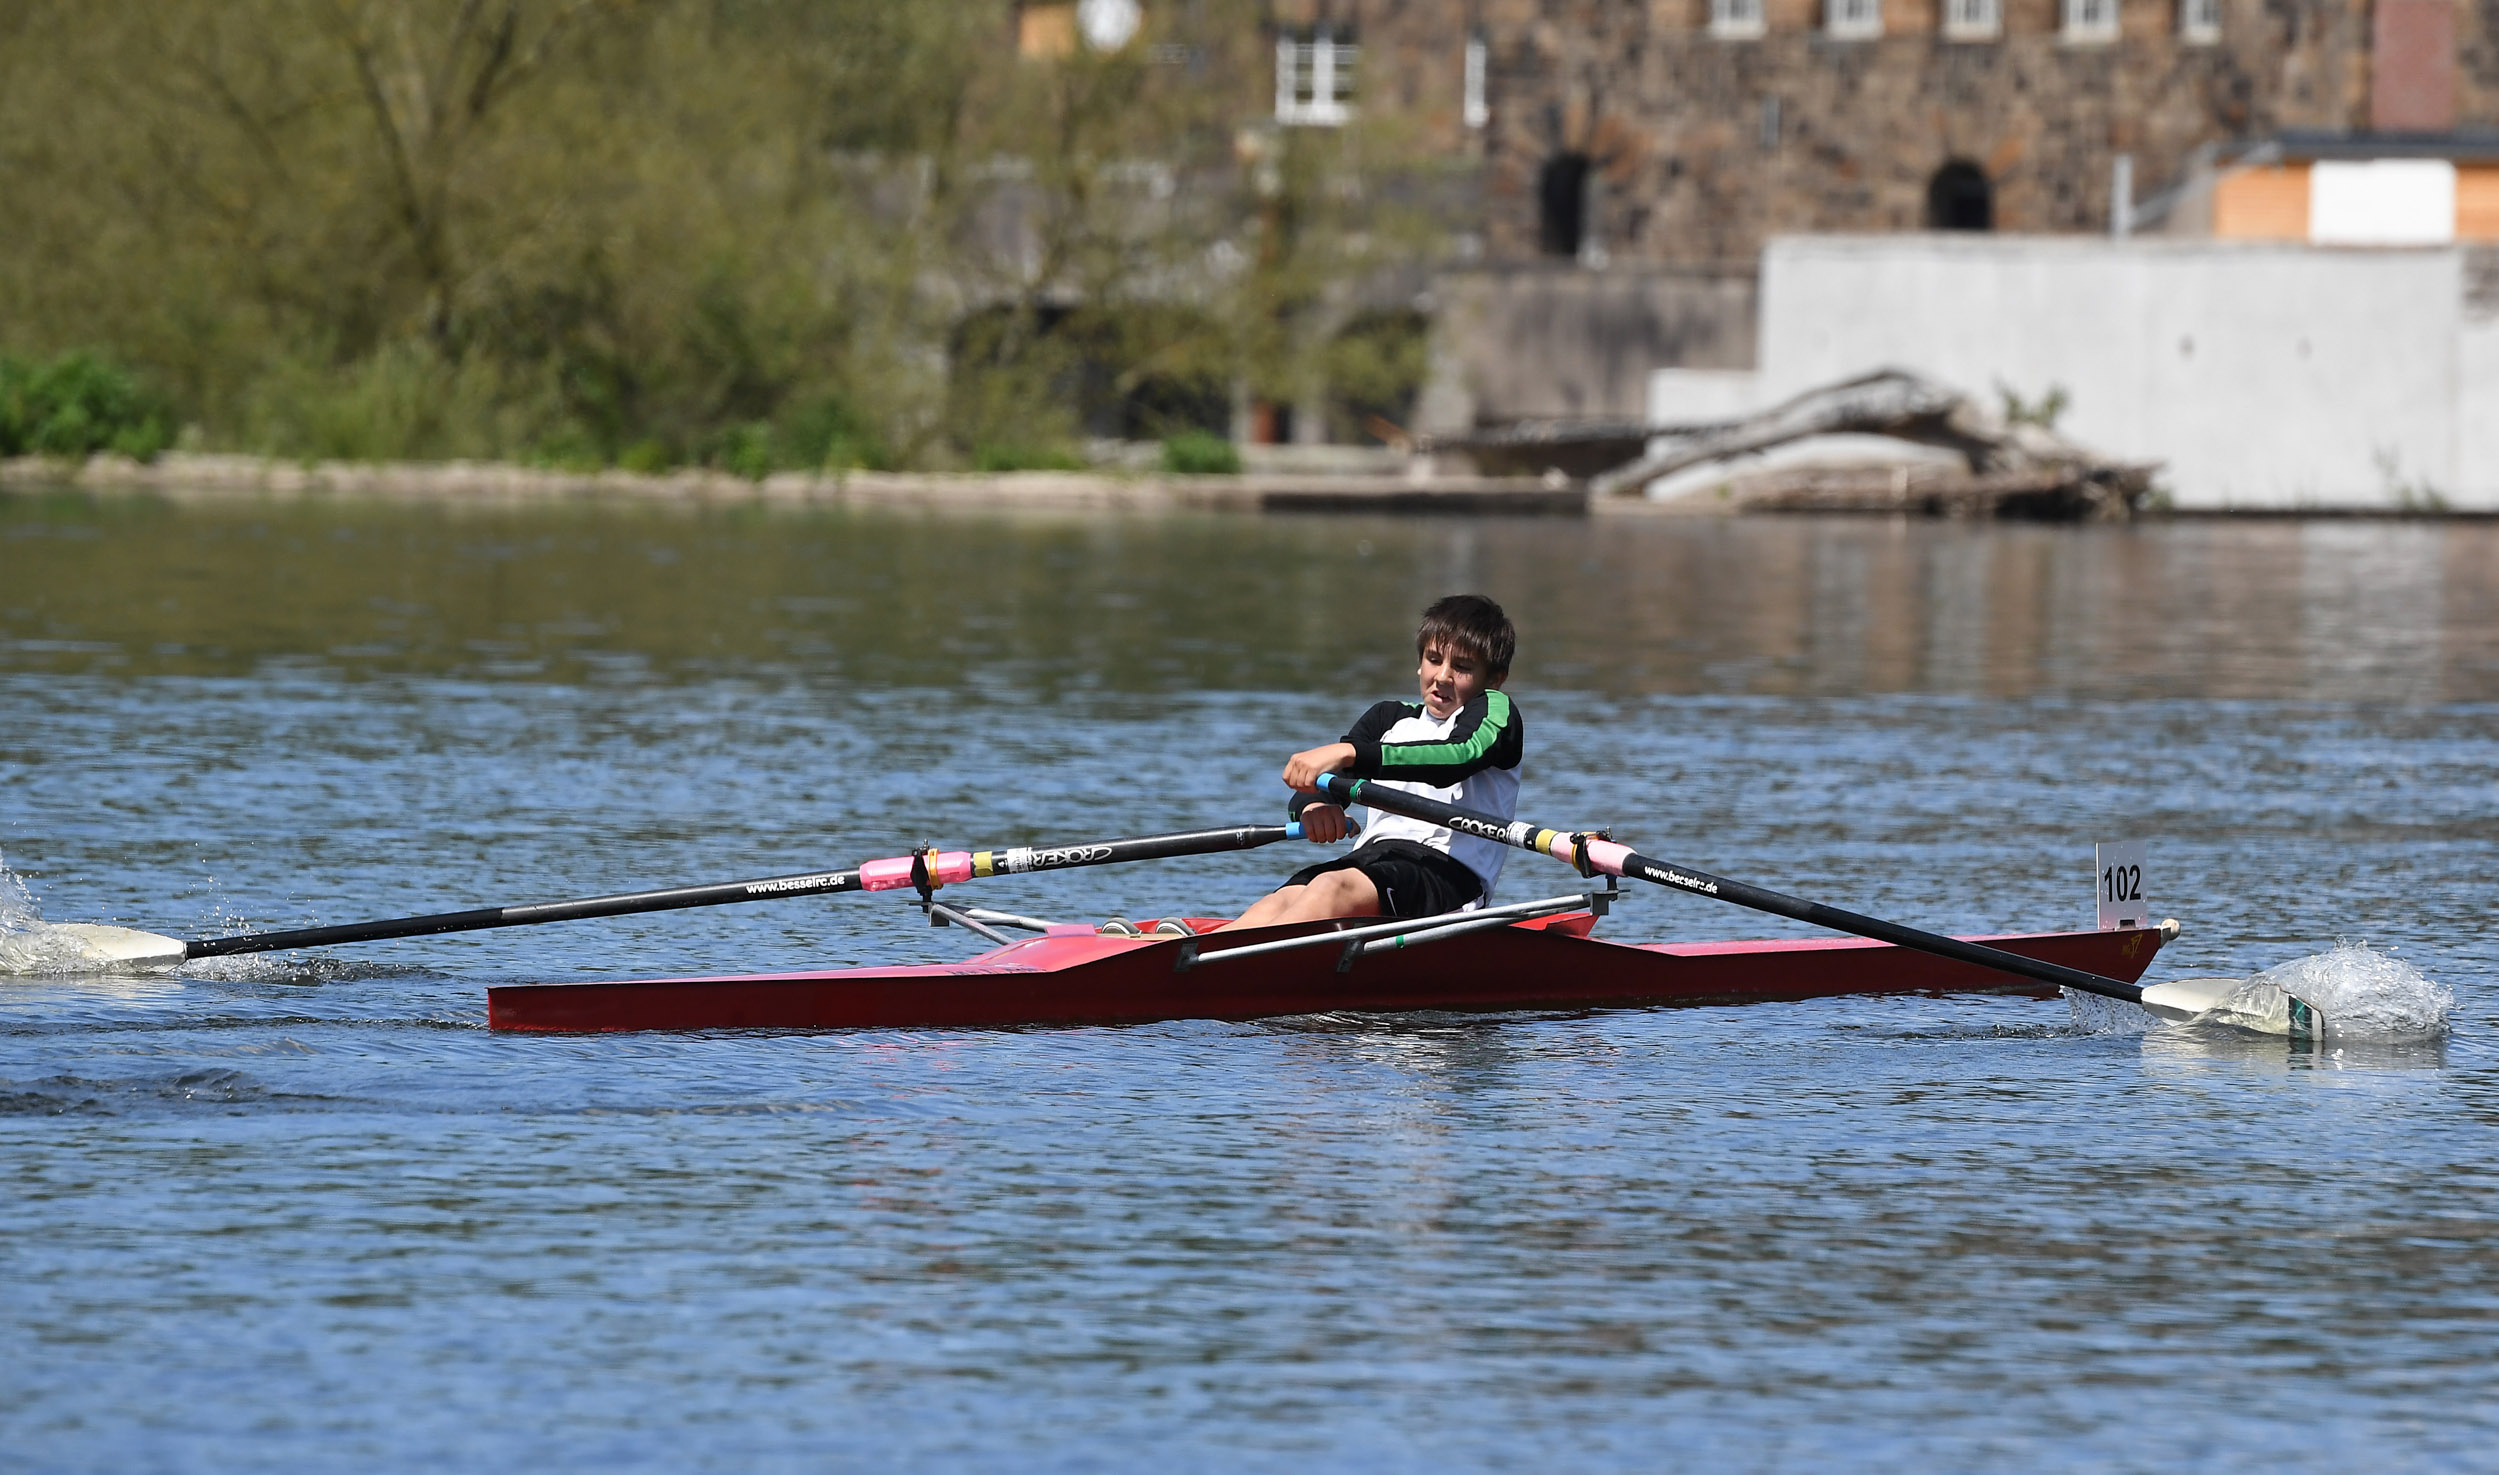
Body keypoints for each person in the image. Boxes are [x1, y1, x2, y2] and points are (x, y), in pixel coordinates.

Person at [1212, 593, 1522, 932]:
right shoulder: (1387, 717)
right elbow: (1327, 781)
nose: (1442, 676)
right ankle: (1199, 955)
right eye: (1434, 659)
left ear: (1494, 679)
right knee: (1288, 897)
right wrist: (1314, 807)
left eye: (1462, 667)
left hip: (1450, 877)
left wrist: (1352, 753)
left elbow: (1456, 758)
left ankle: (1219, 966)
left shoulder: (1495, 710)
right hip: (1373, 860)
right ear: (1420, 663)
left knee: (1333, 887)